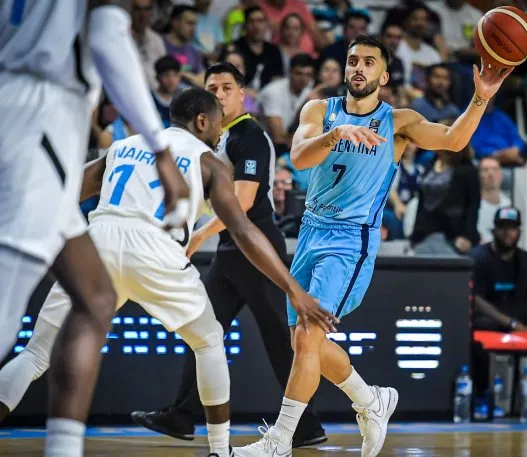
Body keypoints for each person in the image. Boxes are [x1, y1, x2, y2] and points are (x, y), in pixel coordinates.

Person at [0, 88, 334, 450]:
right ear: (202, 121)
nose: (221, 133)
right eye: (218, 124)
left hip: (98, 244)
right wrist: (293, 290)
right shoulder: (208, 161)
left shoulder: (124, 145)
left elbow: (66, 189)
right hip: (155, 249)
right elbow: (242, 229)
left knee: (35, 354)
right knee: (208, 342)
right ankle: (221, 449)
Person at [234, 34, 512, 457]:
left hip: (351, 239)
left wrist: (479, 98)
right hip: (311, 231)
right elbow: (300, 157)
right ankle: (370, 400)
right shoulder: (318, 110)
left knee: (310, 334)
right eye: (352, 61)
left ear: (384, 75)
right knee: (304, 344)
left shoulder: (397, 122)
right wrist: (336, 134)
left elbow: (453, 141)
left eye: (368, 62)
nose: (358, 68)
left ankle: (279, 441)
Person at [0, 2, 190, 456]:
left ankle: (64, 449)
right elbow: (107, 35)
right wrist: (160, 149)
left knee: (96, 296)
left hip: (29, 114)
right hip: (39, 113)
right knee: (5, 309)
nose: (144, 11)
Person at [129, 64, 327, 448]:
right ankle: (182, 415)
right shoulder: (208, 139)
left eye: (226, 87)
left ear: (242, 94)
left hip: (256, 245)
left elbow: (244, 201)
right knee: (202, 330)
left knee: (278, 337)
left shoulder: (249, 134)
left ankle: (305, 424)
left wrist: (198, 235)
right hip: (230, 250)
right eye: (211, 88)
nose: (218, 93)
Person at [469, 207, 527, 417]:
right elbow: (476, 299)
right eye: (502, 228)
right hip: (494, 318)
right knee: (482, 332)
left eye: (512, 228)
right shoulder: (479, 257)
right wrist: (510, 324)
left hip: (523, 321)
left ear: (519, 231)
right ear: (494, 230)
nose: (507, 233)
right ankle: (483, 394)